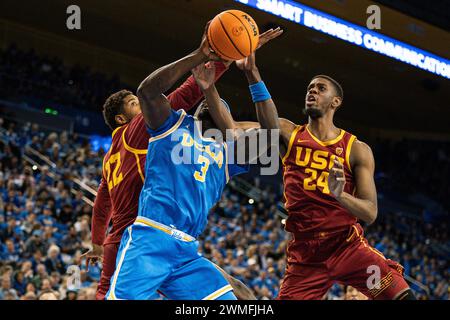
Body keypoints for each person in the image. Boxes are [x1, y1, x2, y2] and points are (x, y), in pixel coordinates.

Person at [82, 22, 282, 300]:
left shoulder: (226, 155)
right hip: (150, 236)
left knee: (240, 297)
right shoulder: (171, 125)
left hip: (186, 250)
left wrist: (252, 73)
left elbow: (271, 135)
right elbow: (150, 91)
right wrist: (203, 55)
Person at [241, 51, 415, 300]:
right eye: (310, 88)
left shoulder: (356, 149)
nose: (312, 91)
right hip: (306, 255)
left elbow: (370, 212)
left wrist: (340, 194)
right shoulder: (290, 132)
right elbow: (266, 126)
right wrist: (251, 72)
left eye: (320, 88)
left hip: (347, 247)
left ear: (336, 102)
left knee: (402, 296)